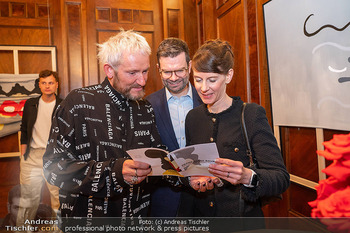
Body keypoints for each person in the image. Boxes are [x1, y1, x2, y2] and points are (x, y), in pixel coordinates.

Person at [42, 29, 167, 219]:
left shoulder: (145, 107)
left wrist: (186, 175)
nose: (142, 81)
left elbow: (156, 160)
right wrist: (113, 172)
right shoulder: (77, 102)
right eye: (132, 72)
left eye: (145, 71)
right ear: (109, 70)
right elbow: (53, 167)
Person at [178, 39, 290, 218]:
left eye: (212, 80)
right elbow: (191, 172)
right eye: (198, 80)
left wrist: (247, 176)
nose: (203, 88)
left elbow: (281, 178)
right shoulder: (193, 118)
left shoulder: (251, 115)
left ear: (228, 76)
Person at [146, 38, 202, 217]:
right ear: (158, 69)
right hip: (163, 202)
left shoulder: (209, 100)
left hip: (204, 199)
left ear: (190, 66)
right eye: (167, 72)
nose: (174, 78)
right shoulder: (146, 105)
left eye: (179, 70)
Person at [19, 70, 61, 222]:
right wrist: (24, 156)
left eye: (50, 83)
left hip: (55, 158)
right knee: (27, 200)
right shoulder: (31, 104)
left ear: (56, 85)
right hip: (32, 157)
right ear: (39, 85)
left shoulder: (63, 105)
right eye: (44, 83)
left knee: (58, 199)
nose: (47, 86)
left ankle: (58, 231)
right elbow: (24, 128)